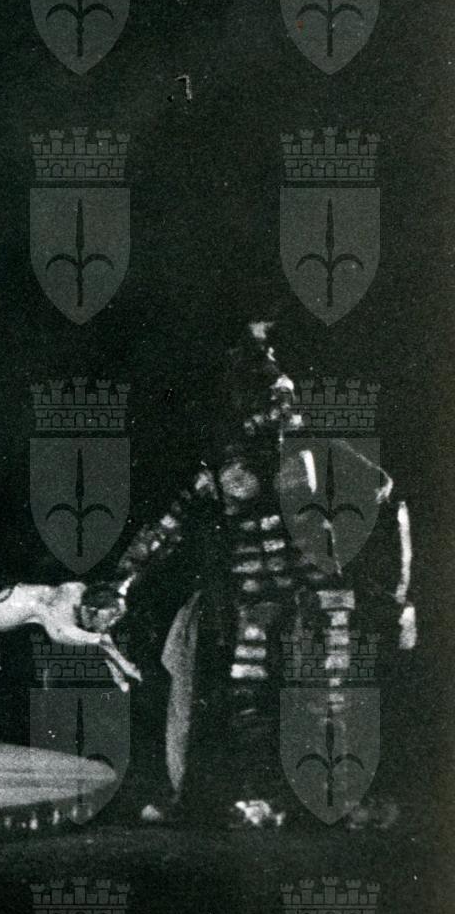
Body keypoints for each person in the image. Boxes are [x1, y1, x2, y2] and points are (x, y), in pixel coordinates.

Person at [110, 320, 412, 826]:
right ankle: (261, 798)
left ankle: (339, 798)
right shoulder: (224, 471)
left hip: (318, 596)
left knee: (326, 697)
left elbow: (389, 500)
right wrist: (120, 582)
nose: (279, 407)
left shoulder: (321, 456)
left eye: (283, 396)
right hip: (254, 598)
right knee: (247, 698)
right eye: (269, 397)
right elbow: (166, 528)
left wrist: (401, 596)